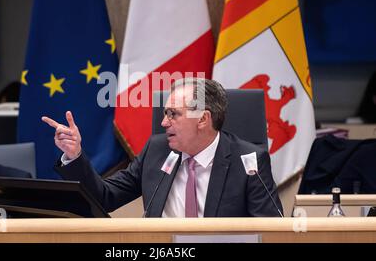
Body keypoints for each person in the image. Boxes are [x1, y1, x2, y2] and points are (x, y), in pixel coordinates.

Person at [42, 78, 282, 217]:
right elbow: (105, 197)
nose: (163, 122)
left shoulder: (247, 161)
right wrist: (74, 157)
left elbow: (271, 230)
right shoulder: (158, 151)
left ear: (202, 119)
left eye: (173, 114)